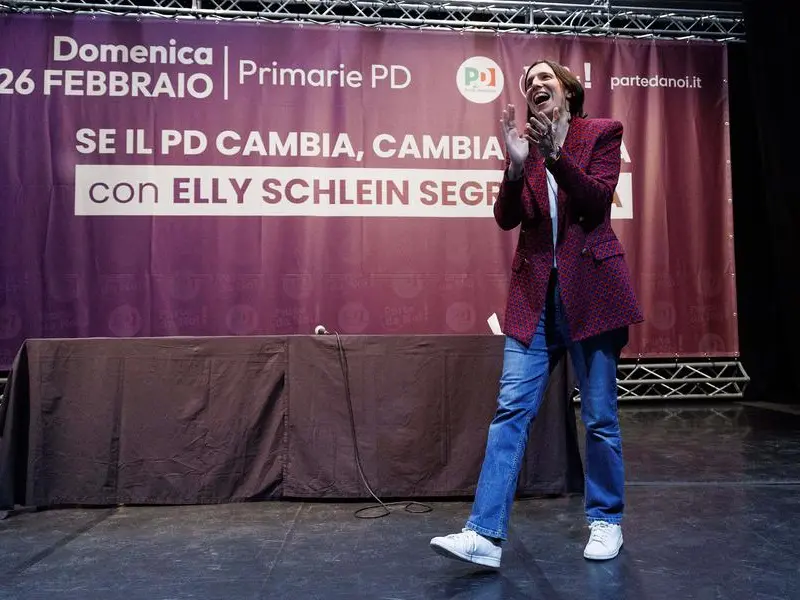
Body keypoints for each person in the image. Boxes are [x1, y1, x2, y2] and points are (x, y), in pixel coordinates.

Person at [430, 59, 643, 566]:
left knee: (599, 417)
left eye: (544, 78)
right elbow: (507, 219)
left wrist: (555, 157)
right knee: (510, 411)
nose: (534, 86)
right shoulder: (526, 147)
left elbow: (595, 201)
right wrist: (514, 167)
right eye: (529, 83)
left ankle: (606, 520)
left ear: (568, 90)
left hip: (592, 292)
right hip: (535, 299)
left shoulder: (601, 133)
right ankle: (484, 535)